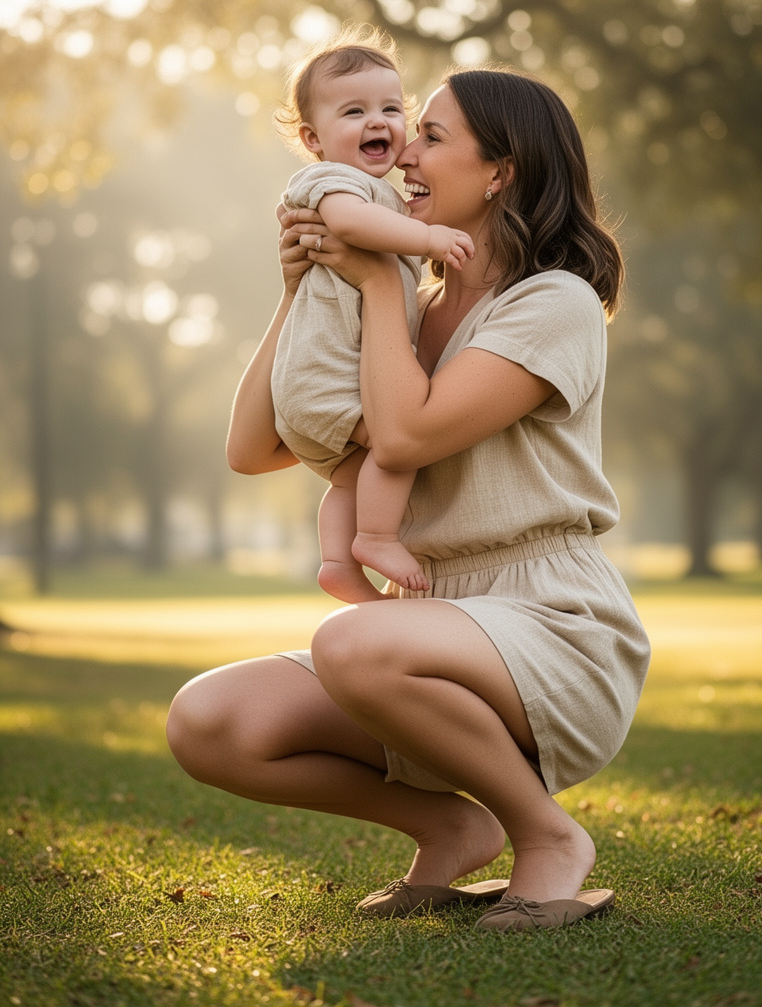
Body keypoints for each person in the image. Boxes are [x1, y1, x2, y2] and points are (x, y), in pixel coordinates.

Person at [167, 65, 651, 933]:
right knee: (208, 721)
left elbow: (404, 437)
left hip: (554, 627)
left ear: (500, 169)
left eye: (431, 134)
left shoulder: (555, 304)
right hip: (427, 627)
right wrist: (303, 292)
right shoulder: (402, 300)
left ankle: (548, 841)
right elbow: (252, 448)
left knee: (352, 641)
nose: (404, 152)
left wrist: (380, 279)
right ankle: (450, 826)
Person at [268, 26, 475, 602]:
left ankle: (338, 562)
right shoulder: (332, 182)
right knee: (395, 443)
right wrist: (428, 237)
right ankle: (377, 537)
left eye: (390, 107)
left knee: (350, 474)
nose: (377, 121)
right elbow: (352, 228)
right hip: (328, 376)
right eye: (354, 111)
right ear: (313, 138)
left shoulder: (377, 192)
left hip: (314, 387)